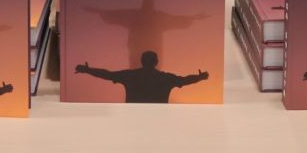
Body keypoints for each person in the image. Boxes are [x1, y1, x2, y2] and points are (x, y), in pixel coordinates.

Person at [74, 51, 208, 103]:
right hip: (158, 122)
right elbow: (184, 80)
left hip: (133, 121)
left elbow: (107, 74)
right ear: (156, 62)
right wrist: (199, 77)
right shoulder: (165, 78)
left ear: (141, 61)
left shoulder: (130, 76)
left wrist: (88, 70)